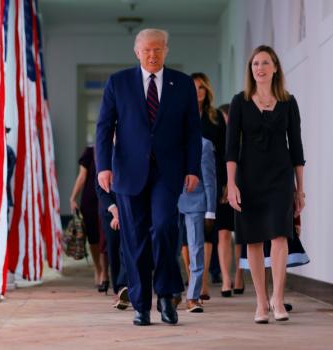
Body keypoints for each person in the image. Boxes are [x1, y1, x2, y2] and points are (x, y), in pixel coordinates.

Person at [96, 28, 201, 326]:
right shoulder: (119, 82)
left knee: (166, 227)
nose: (152, 55)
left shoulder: (181, 83)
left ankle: (166, 295)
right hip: (128, 173)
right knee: (134, 238)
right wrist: (103, 167)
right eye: (146, 50)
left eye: (158, 49)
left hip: (168, 172)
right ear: (137, 51)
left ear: (166, 50)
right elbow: (104, 127)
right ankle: (141, 304)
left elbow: (193, 130)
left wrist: (192, 168)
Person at [226, 45, 305, 324]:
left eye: (265, 63)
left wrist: (300, 188)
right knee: (254, 239)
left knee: (281, 236)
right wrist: (231, 184)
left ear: (275, 68)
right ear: (251, 70)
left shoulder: (288, 102)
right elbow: (231, 149)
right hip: (248, 179)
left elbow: (296, 149)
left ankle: (278, 299)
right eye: (255, 63)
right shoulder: (240, 102)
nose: (259, 68)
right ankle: (261, 302)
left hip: (281, 179)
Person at [177, 73, 217, 313]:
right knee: (166, 247)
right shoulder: (167, 144)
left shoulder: (204, 145)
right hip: (170, 201)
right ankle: (171, 292)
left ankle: (193, 297)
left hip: (196, 202)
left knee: (196, 249)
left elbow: (210, 180)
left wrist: (211, 210)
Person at [214, 103, 244, 296]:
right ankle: (226, 278)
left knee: (242, 234)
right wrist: (224, 184)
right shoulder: (218, 138)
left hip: (244, 186)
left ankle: (240, 275)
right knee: (223, 233)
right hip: (224, 187)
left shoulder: (244, 135)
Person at [69, 145, 109, 292]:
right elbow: (82, 176)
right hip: (90, 199)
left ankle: (105, 272)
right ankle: (98, 269)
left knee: (106, 237)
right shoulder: (90, 152)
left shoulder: (115, 148)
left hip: (108, 196)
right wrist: (73, 197)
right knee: (93, 237)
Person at [95, 178, 129, 310]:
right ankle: (118, 290)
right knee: (113, 248)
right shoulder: (102, 158)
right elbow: (99, 186)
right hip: (109, 207)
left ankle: (124, 287)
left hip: (130, 204)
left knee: (127, 248)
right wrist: (115, 212)